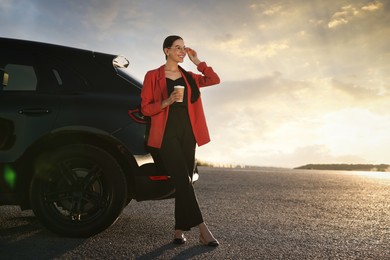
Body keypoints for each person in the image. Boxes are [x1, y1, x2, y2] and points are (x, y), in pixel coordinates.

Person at [141, 35, 220, 246]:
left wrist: (198, 61)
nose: (182, 51)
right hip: (166, 134)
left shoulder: (190, 77)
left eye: (184, 48)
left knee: (182, 180)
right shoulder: (152, 76)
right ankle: (203, 229)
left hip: (188, 133)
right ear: (166, 51)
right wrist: (166, 101)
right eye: (177, 48)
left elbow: (214, 79)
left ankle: (178, 230)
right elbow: (145, 108)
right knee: (183, 180)